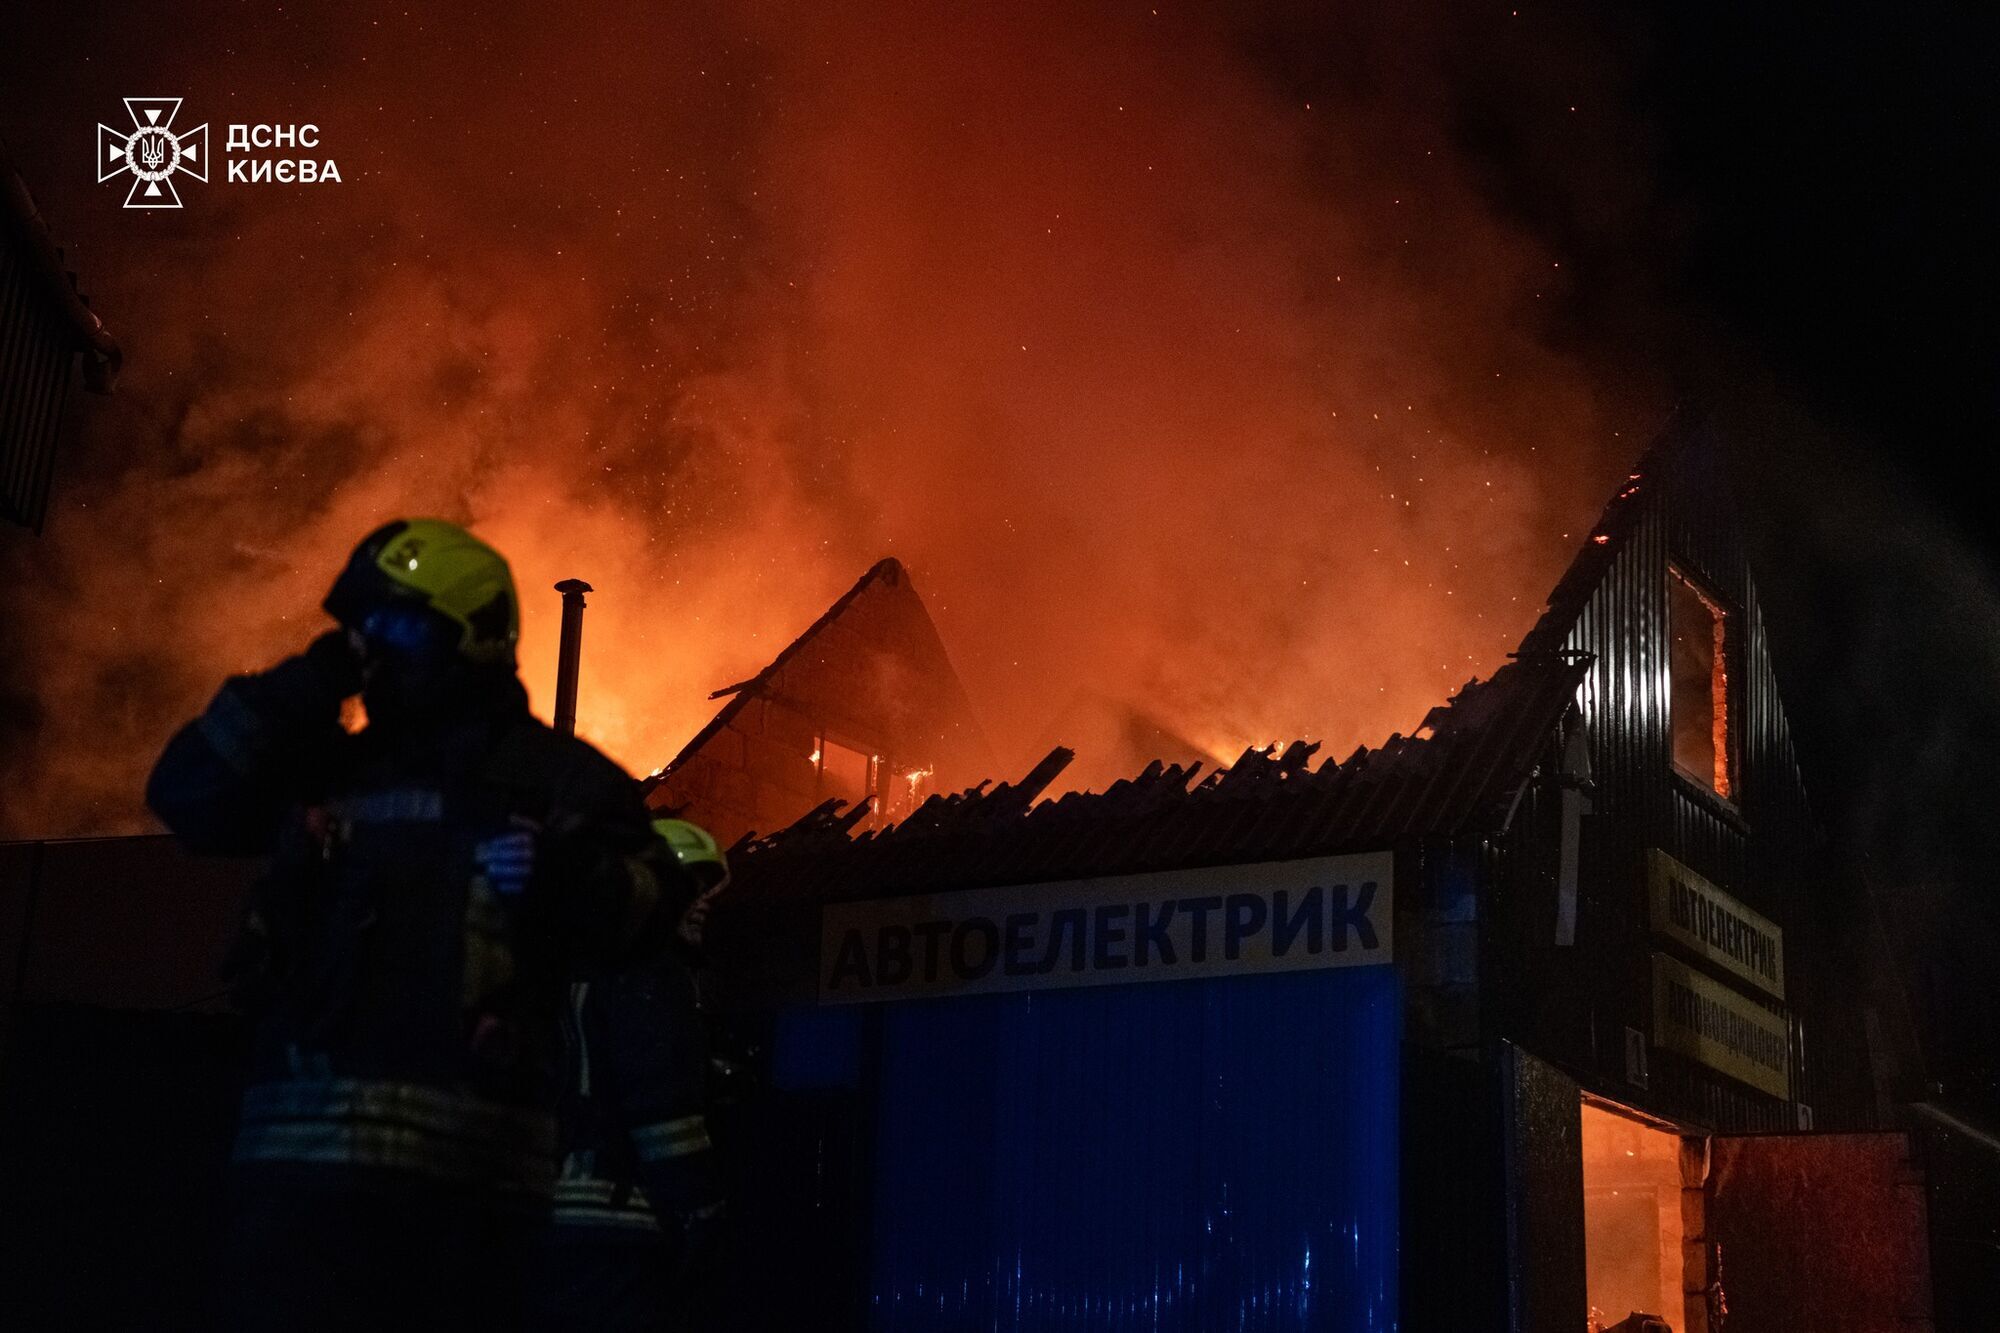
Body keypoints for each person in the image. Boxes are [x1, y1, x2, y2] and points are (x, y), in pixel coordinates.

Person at [147, 518, 693, 1331]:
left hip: (462, 1217)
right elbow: (185, 796)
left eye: (397, 624)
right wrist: (302, 682)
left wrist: (567, 877)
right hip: (291, 1209)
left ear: (470, 634)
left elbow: (654, 913)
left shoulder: (558, 782)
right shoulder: (328, 769)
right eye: (362, 628)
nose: (372, 649)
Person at [531, 817, 730, 1332]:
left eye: (710, 888)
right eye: (690, 887)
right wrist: (704, 1210)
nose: (705, 900)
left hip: (544, 1221)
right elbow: (665, 1116)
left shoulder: (562, 968)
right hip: (620, 1223)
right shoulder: (652, 977)